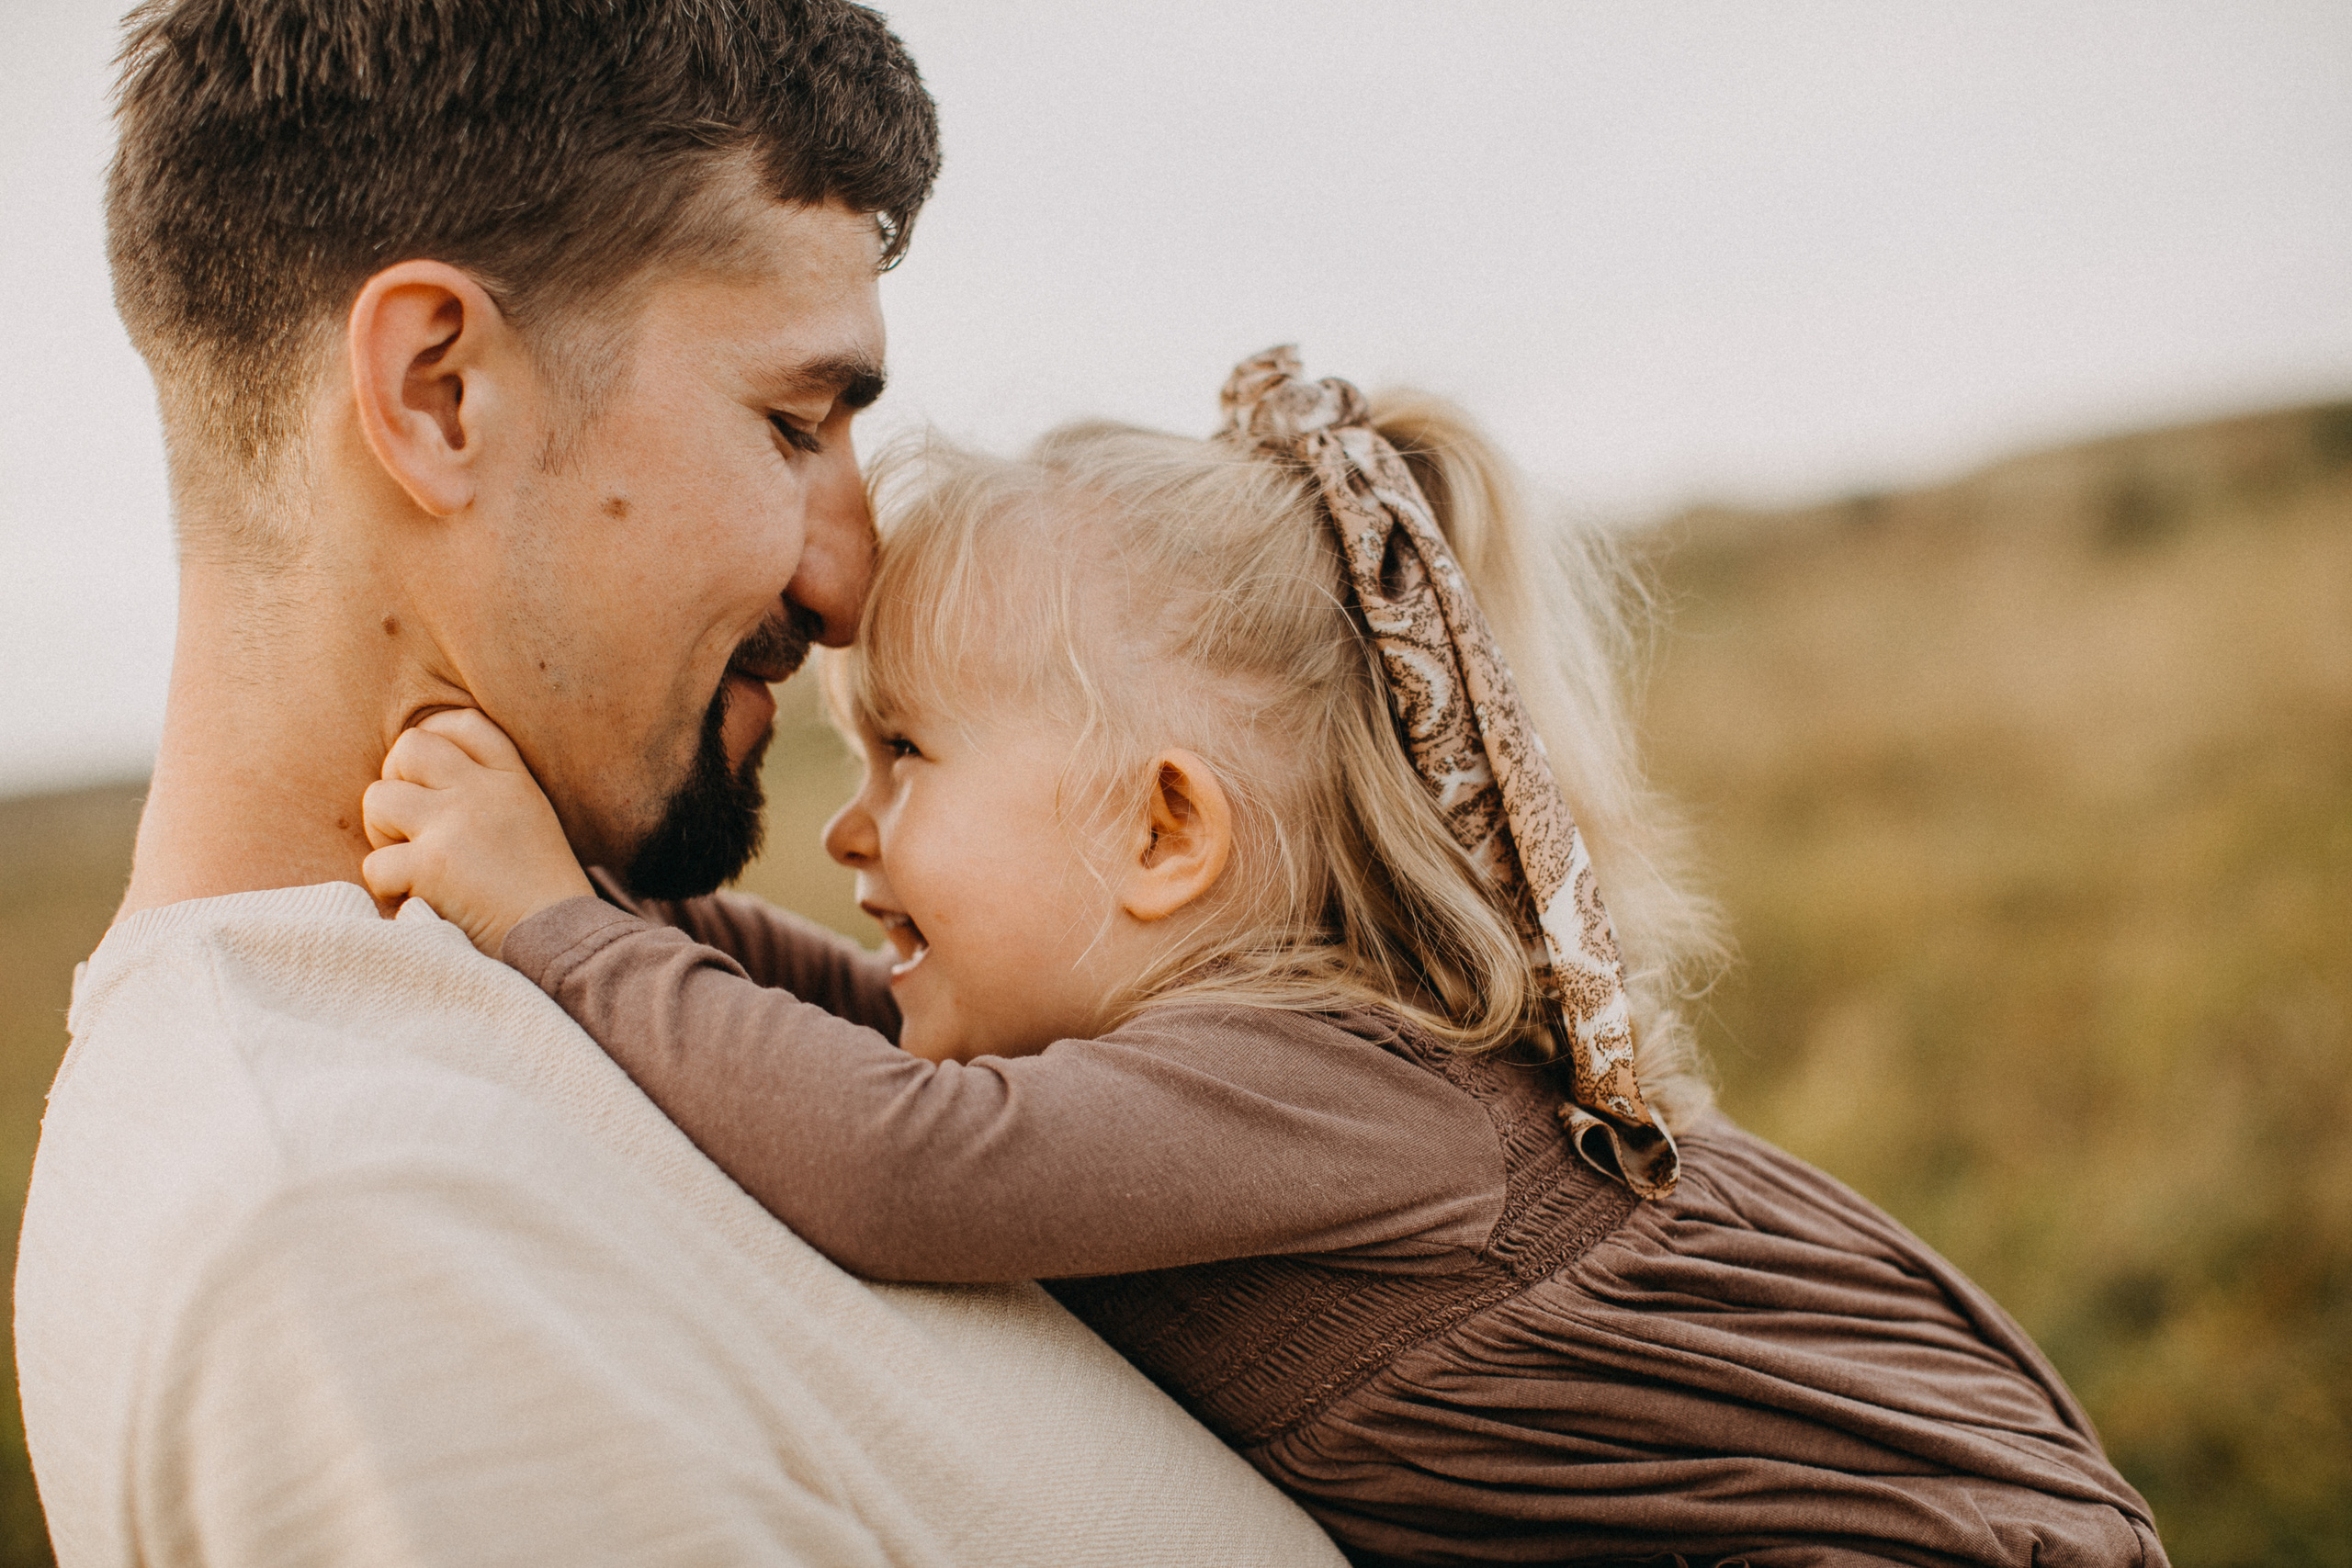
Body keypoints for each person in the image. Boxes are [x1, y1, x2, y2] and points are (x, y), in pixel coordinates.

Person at [368, 348, 2173, 1567]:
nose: (853, 828)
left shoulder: (1302, 1082)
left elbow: (886, 1149)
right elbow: (846, 1041)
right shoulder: (1217, 1068)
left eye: (905, 752)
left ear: (1164, 832)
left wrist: (553, 928)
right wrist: (628, 904)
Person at [14, 5, 1348, 1564]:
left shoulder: (520, 1007)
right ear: (441, 392)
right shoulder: (367, 1250)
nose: (851, 581)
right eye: (793, 424)